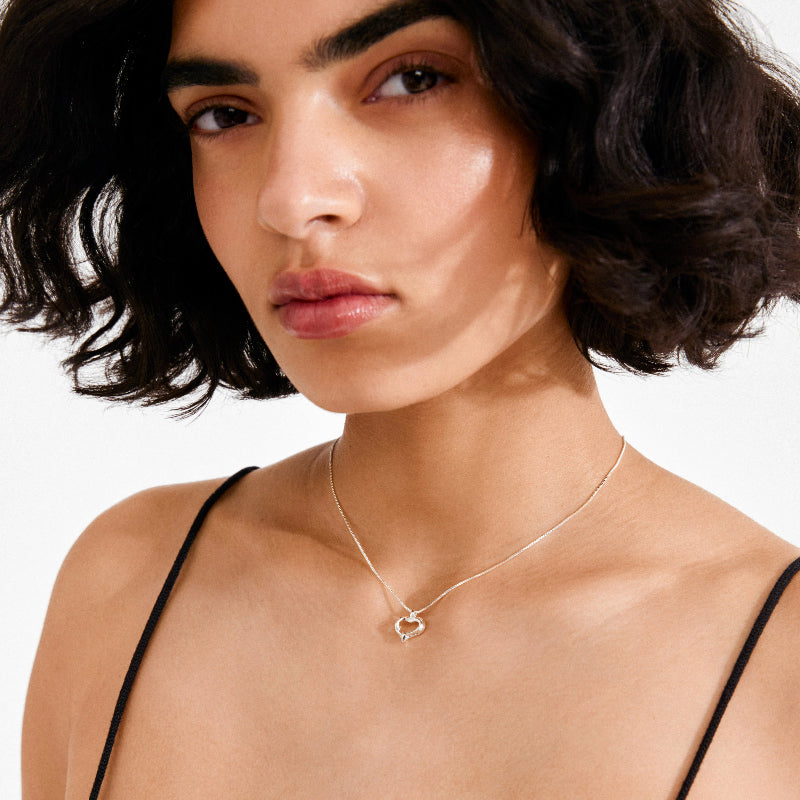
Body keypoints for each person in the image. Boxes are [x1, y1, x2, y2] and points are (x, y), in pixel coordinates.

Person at [2, 0, 800, 796]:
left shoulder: (778, 665)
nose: (290, 199)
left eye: (412, 80)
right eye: (224, 114)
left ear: (593, 108)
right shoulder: (128, 583)